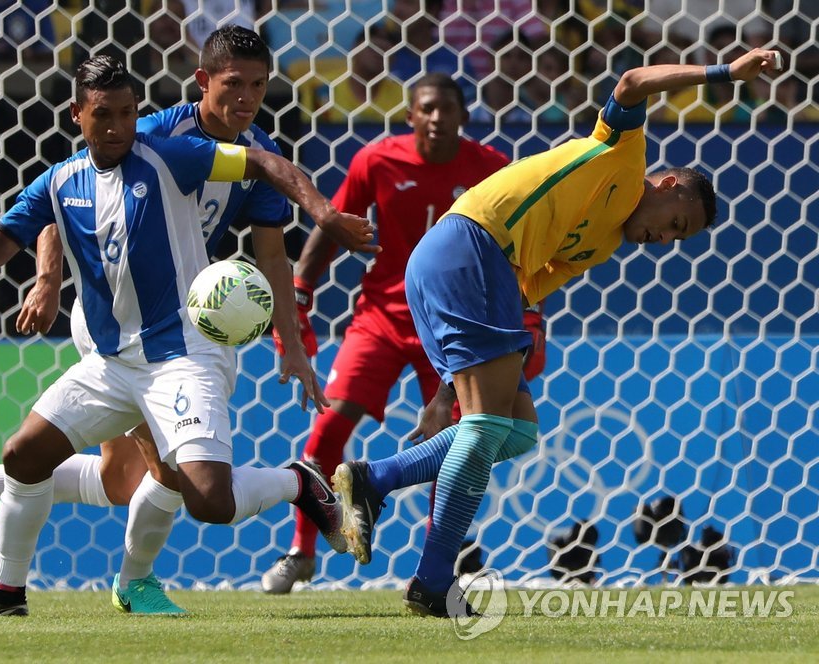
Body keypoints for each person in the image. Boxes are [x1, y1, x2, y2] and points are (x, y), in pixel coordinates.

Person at [0, 52, 378, 618]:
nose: (117, 128)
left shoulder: (169, 155)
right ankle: (5, 592)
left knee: (206, 498)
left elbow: (264, 164)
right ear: (76, 116)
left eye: (128, 113)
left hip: (181, 355)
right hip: (110, 361)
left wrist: (323, 214)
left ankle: (296, 483)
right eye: (103, 114)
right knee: (25, 456)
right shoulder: (59, 182)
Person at [332, 48, 783, 617]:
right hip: (471, 245)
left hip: (470, 271)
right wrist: (723, 73)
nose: (667, 239)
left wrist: (447, 388)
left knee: (516, 431)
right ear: (666, 184)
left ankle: (378, 479)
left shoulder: (604, 242)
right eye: (675, 224)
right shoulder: (620, 153)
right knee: (486, 427)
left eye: (678, 239)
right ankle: (432, 580)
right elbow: (634, 79)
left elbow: (522, 294)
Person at [262, 73, 520, 593]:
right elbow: (330, 224)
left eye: (447, 108)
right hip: (380, 316)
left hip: (452, 324)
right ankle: (301, 551)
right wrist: (302, 292)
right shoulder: (376, 160)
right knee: (330, 426)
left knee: (463, 438)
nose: (436, 118)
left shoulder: (491, 168)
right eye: (426, 108)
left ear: (463, 117)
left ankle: (443, 564)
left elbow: (514, 246)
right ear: (410, 115)